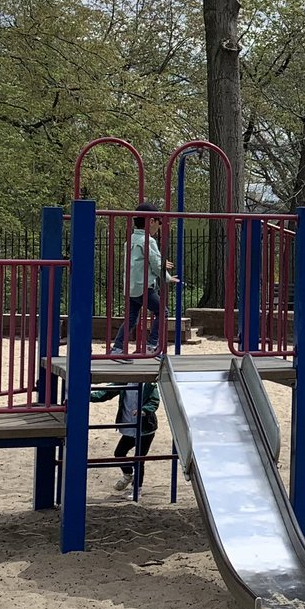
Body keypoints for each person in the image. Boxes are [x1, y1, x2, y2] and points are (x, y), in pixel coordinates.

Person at [111, 202, 176, 356]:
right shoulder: (149, 241)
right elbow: (156, 264)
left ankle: (118, 348)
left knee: (131, 318)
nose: (158, 227)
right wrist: (167, 277)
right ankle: (152, 344)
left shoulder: (131, 240)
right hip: (144, 286)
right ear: (151, 221)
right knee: (162, 311)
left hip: (131, 287)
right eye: (159, 223)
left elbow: (142, 261)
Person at [91, 382, 160, 493]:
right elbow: (105, 393)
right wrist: (88, 396)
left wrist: (145, 410)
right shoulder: (124, 383)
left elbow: (154, 401)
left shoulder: (149, 384)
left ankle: (137, 488)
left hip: (145, 430)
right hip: (129, 427)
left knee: (139, 459)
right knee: (119, 453)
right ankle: (128, 474)